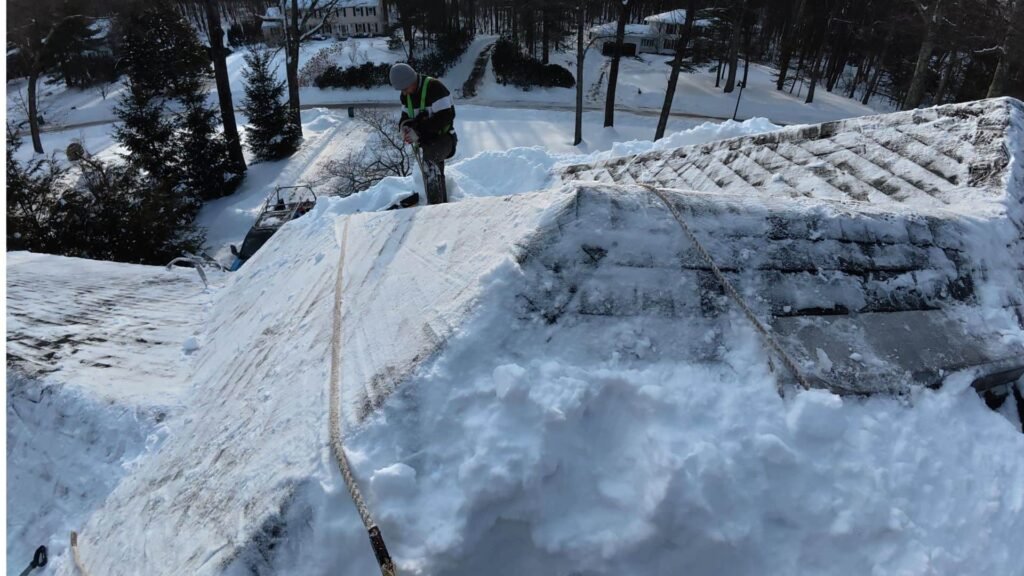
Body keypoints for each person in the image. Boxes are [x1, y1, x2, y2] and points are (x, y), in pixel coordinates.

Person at [389, 63, 457, 205]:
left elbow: (446, 117)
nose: (404, 93)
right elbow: (405, 117)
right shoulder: (406, 95)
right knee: (433, 168)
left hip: (445, 138)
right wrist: (405, 129)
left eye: (405, 89)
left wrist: (419, 130)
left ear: (412, 81)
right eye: (402, 90)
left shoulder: (435, 88)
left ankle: (434, 206)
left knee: (430, 161)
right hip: (427, 140)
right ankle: (441, 202)